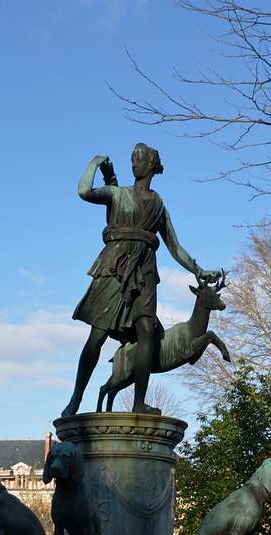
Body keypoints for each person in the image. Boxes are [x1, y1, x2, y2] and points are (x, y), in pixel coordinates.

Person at [61, 144, 220, 417]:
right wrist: (95, 162)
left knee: (147, 331)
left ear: (152, 165)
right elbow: (83, 191)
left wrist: (198, 270)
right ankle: (75, 400)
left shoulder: (158, 204)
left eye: (140, 159)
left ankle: (139, 403)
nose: (134, 163)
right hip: (114, 266)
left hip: (145, 270)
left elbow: (175, 246)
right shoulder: (118, 193)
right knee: (97, 336)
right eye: (132, 159)